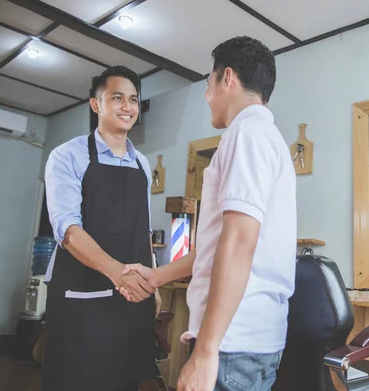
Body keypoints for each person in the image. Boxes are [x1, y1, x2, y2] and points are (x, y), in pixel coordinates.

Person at [120, 36, 297, 391]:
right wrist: (156, 277)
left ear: (227, 78)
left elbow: (238, 245)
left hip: (232, 343)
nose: (205, 95)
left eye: (208, 82)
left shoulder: (245, 134)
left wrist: (206, 349)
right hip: (252, 342)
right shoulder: (267, 136)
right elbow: (219, 248)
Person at [42, 66, 160, 391]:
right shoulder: (67, 155)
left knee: (125, 380)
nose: (127, 107)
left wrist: (154, 282)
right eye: (117, 97)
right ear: (97, 105)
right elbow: (68, 231)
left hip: (131, 298)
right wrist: (119, 273)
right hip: (82, 297)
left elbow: (145, 229)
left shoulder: (142, 163)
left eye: (133, 99)